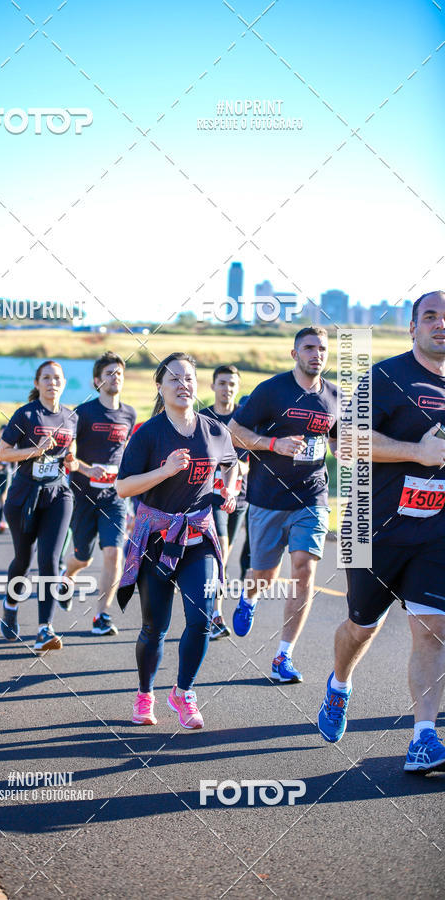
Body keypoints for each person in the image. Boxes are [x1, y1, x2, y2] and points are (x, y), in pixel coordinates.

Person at [318, 290, 445, 772]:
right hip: (372, 526)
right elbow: (344, 442)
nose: (440, 324)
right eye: (429, 316)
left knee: (433, 626)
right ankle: (339, 686)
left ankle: (423, 739)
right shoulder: (386, 377)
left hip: (436, 529)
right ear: (412, 328)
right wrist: (416, 452)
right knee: (361, 626)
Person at [116, 352, 238, 729]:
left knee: (201, 617)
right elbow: (123, 487)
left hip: (199, 534)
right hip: (156, 538)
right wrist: (164, 470)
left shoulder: (214, 431)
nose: (183, 385)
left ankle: (183, 693)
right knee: (155, 626)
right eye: (174, 379)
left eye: (188, 378)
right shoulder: (149, 434)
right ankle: (144, 695)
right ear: (160, 387)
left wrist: (229, 490)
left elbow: (232, 464)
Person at [229, 326, 338, 683]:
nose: (316, 354)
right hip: (267, 498)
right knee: (264, 574)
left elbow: (338, 445)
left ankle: (283, 656)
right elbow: (235, 431)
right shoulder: (271, 390)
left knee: (304, 568)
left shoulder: (335, 397)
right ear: (295, 354)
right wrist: (274, 444)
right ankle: (249, 598)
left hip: (313, 495)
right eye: (308, 347)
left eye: (322, 348)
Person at [0, 360, 78, 651]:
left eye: (57, 378)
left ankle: (45, 628)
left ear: (64, 383)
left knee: (50, 560)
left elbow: (71, 455)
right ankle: (10, 604)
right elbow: (3, 453)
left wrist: (74, 462)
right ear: (37, 383)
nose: (52, 382)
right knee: (23, 560)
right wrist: (35, 450)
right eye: (46, 378)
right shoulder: (26, 414)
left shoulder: (71, 418)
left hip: (57, 495)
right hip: (24, 495)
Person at [63, 351, 136, 635]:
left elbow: (127, 450)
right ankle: (67, 576)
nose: (115, 377)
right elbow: (69, 456)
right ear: (97, 380)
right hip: (83, 495)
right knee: (83, 558)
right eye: (109, 373)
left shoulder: (129, 413)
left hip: (114, 497)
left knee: (114, 555)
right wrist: (85, 469)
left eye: (119, 373)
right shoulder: (82, 413)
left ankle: (101, 615)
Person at [200, 366, 250, 639]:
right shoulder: (203, 417)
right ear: (213, 386)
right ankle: (215, 615)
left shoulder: (244, 420)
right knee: (222, 548)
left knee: (224, 556)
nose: (227, 388)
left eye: (232, 384)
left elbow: (253, 458)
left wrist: (243, 469)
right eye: (222, 383)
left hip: (239, 497)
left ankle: (208, 604)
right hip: (211, 496)